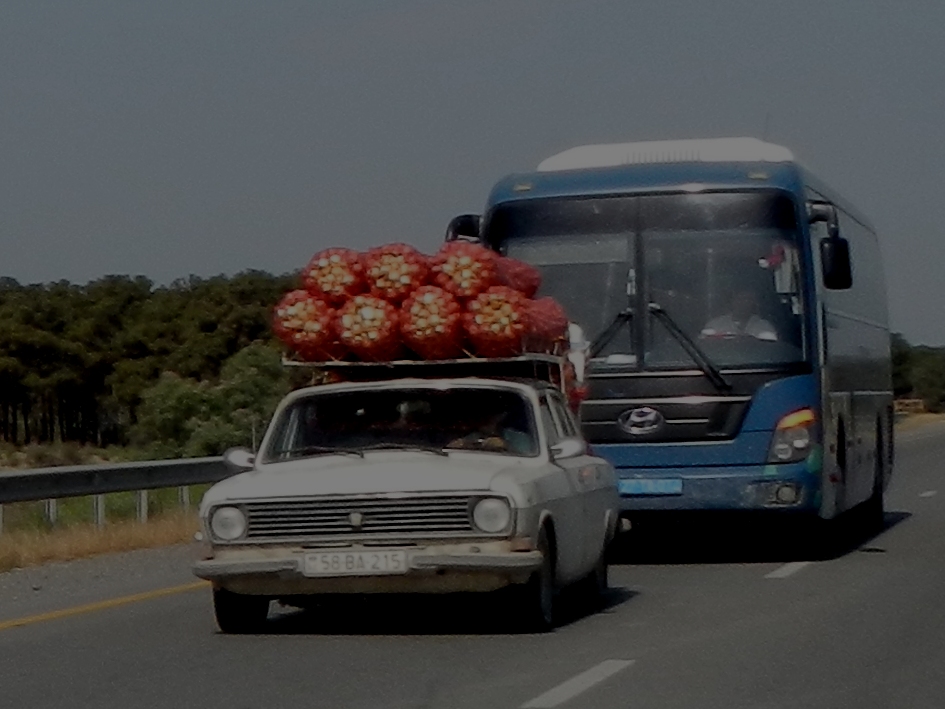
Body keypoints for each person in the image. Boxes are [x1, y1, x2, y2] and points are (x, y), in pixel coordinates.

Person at [701, 288, 778, 342]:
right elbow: (704, 344)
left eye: (748, 299)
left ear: (754, 303)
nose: (743, 303)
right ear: (732, 302)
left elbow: (770, 347)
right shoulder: (715, 325)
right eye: (739, 299)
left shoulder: (764, 327)